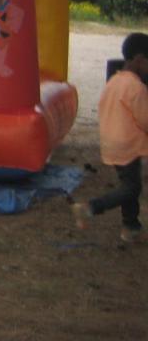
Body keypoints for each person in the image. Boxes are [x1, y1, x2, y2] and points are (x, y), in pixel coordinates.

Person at [72, 32, 148, 243]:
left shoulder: (114, 81)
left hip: (112, 142)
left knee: (129, 185)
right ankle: (90, 208)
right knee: (132, 188)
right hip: (128, 145)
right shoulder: (136, 88)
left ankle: (131, 227)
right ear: (140, 59)